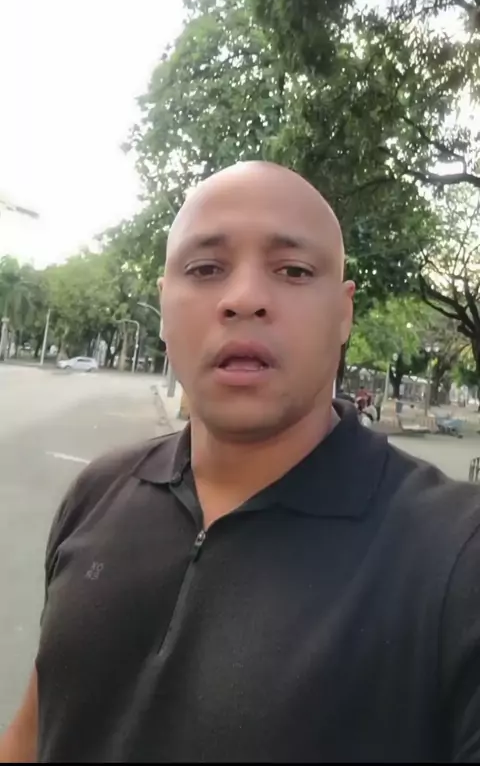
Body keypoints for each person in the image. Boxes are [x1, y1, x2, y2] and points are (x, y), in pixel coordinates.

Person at [2, 161, 480, 763]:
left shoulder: (456, 556)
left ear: (344, 313)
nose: (245, 298)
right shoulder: (97, 495)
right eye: (205, 269)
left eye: (293, 270)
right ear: (164, 306)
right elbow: (33, 736)